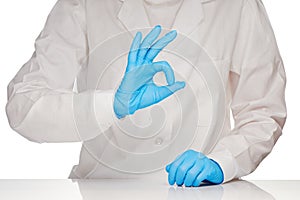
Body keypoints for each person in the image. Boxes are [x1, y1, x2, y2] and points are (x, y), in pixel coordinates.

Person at [5, 0, 286, 187]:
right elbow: (23, 106)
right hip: (104, 189)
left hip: (201, 194)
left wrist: (223, 161)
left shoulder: (236, 6)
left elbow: (263, 111)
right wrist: (110, 106)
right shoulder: (85, 4)